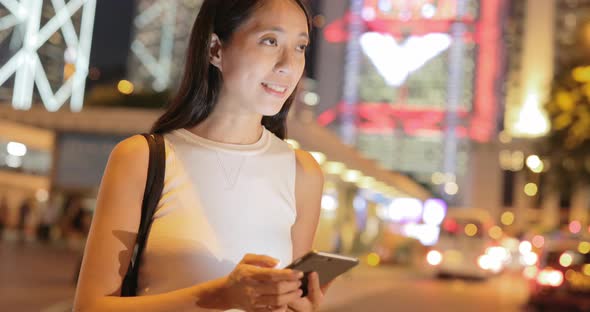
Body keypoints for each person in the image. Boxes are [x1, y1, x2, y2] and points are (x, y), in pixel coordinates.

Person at [74, 1, 328, 311]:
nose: (288, 64)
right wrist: (220, 296)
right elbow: (89, 307)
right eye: (270, 41)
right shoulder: (143, 158)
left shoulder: (303, 172)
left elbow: (291, 299)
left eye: (300, 47)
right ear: (215, 49)